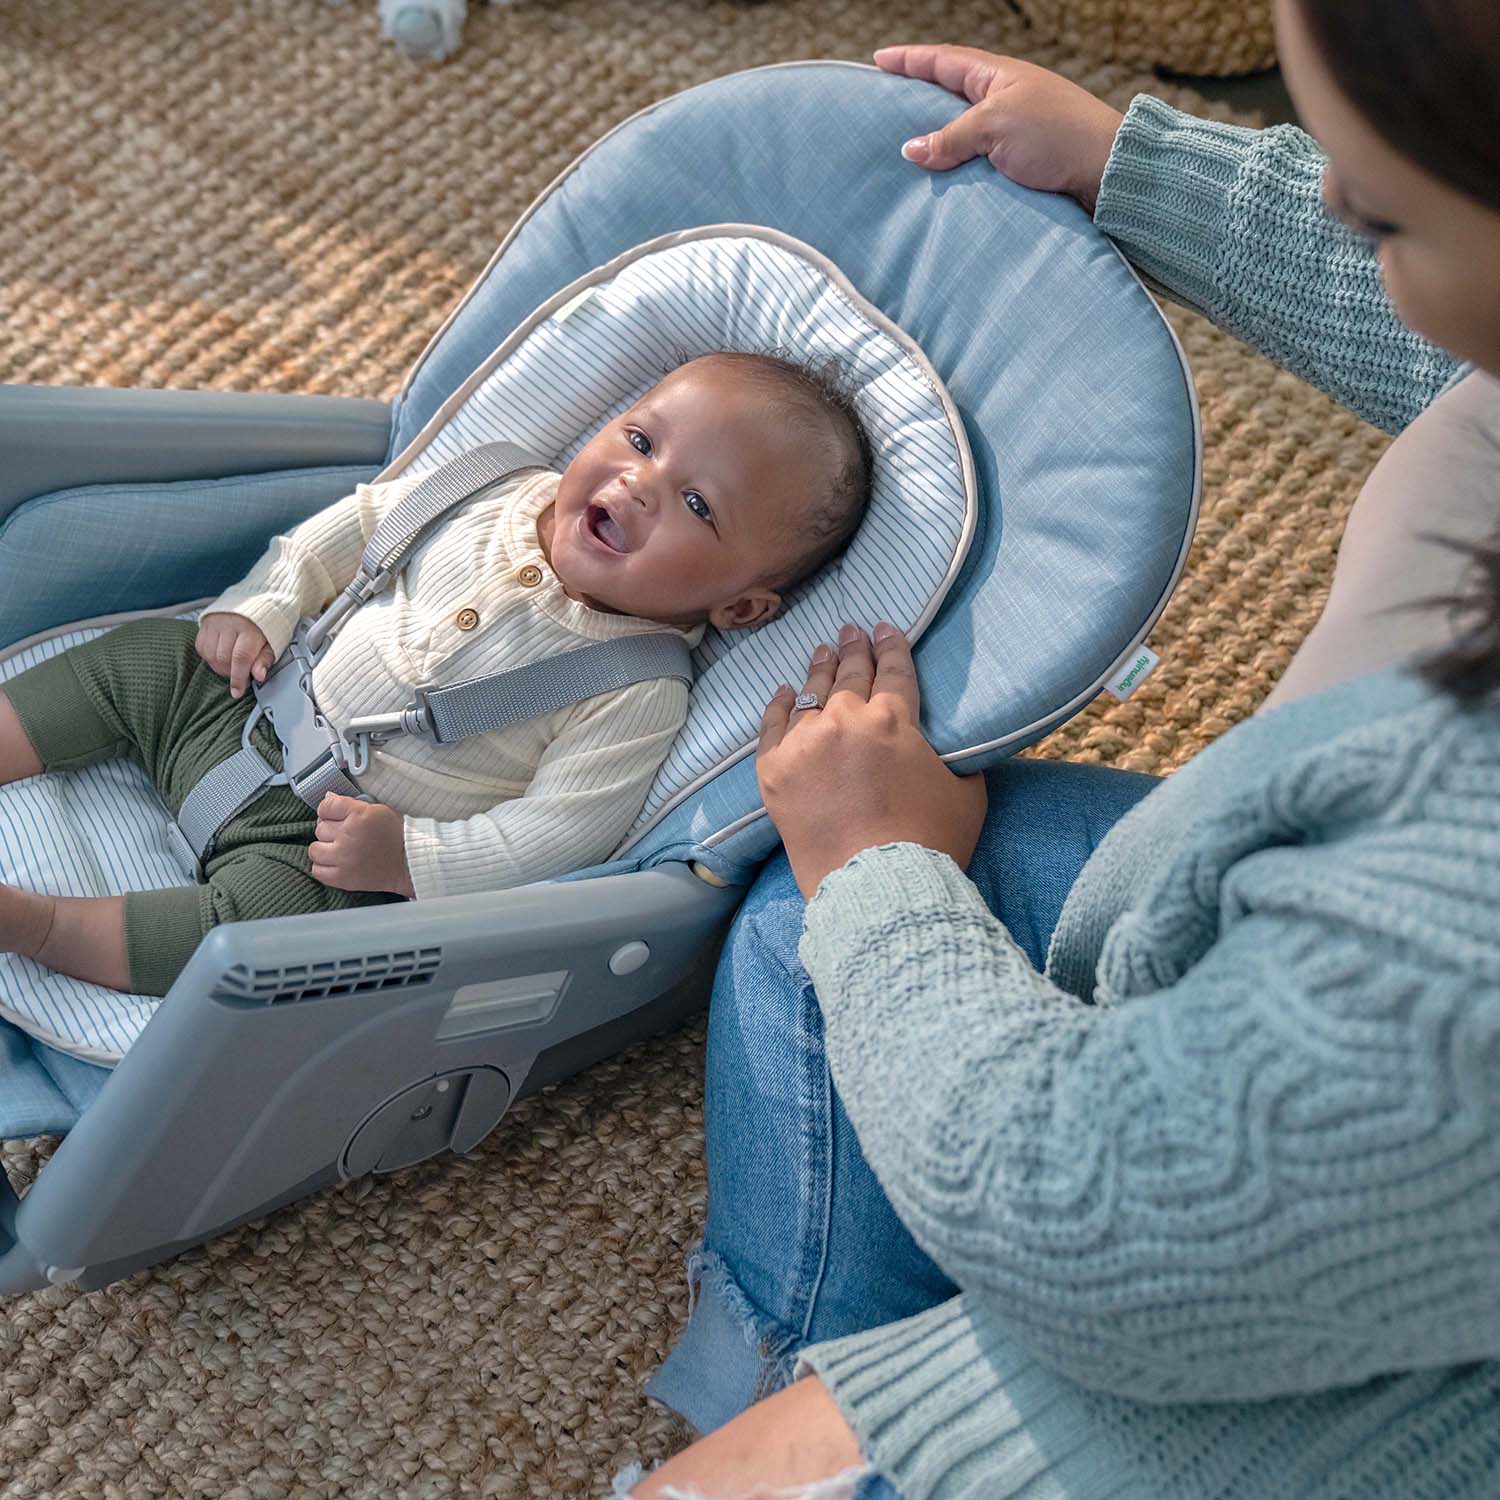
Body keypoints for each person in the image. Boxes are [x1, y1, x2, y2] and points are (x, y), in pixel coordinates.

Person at [625, 2, 1500, 1497]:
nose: (1340, 211)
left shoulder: (1453, 940)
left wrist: (884, 867)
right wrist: (1134, 169)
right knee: (804, 923)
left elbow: (1091, 1220)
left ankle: (795, 1390)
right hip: (1259, 948)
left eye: (1380, 206)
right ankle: (794, 1352)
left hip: (1325, 1356)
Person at [0, 351, 873, 1001]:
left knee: (274, 938)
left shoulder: (639, 689)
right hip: (240, 698)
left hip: (323, 843)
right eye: (640, 440)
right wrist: (262, 602)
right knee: (144, 656)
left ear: (742, 609)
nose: (639, 482)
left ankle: (41, 927)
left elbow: (559, 835)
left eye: (696, 505)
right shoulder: (495, 487)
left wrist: (411, 859)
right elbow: (353, 530)